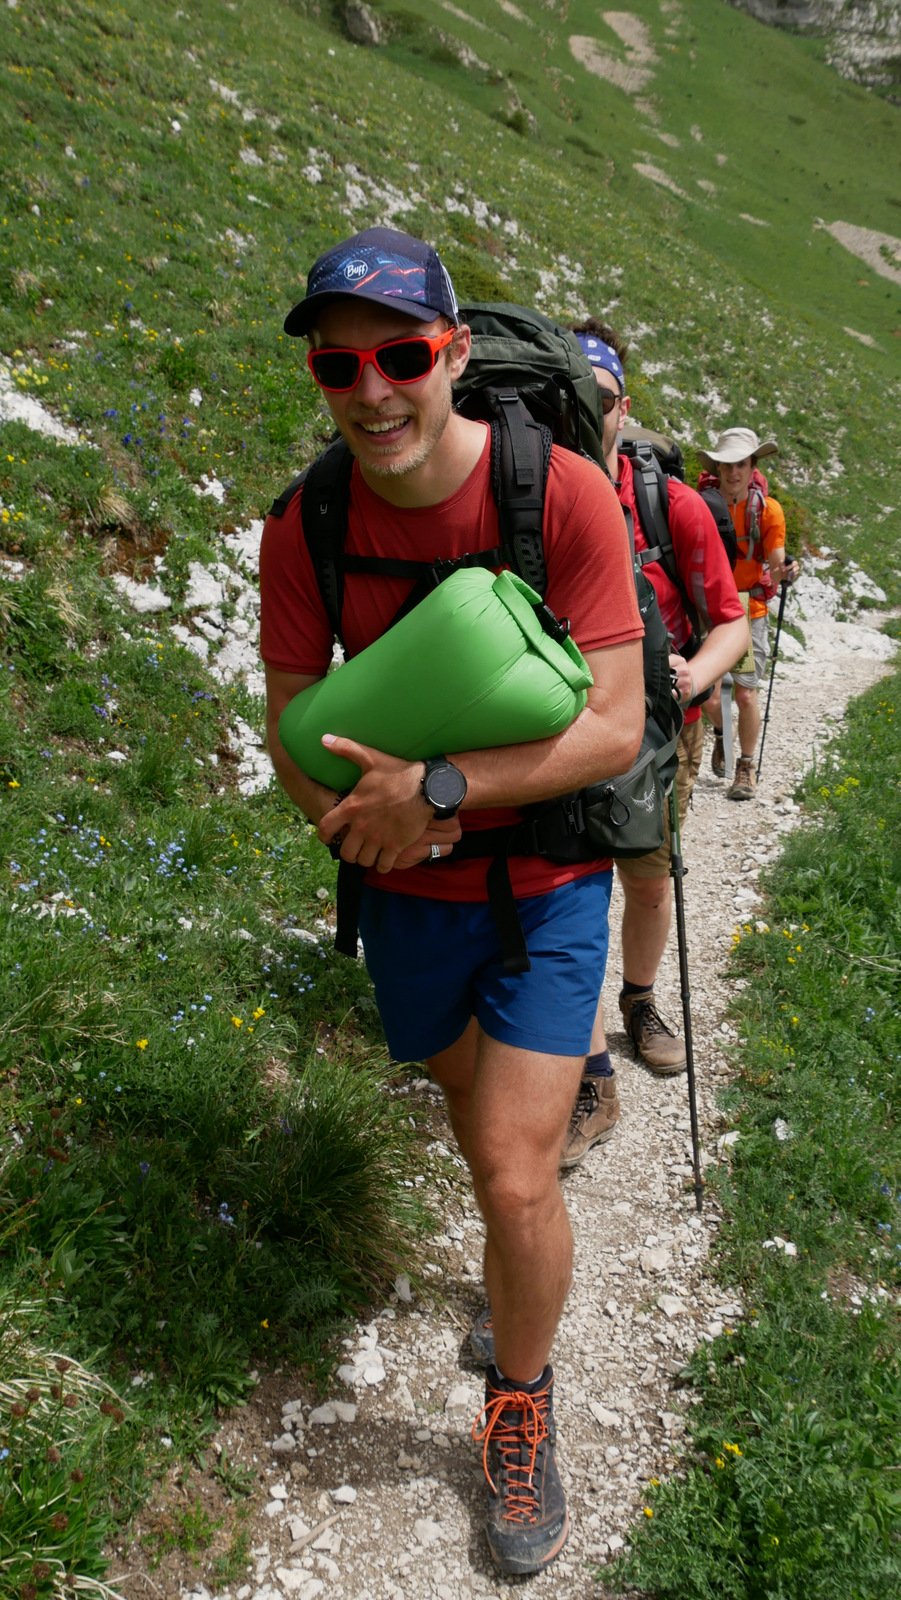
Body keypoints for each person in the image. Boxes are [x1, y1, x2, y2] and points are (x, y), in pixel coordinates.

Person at [259, 228, 646, 1576]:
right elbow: (292, 724)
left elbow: (612, 725)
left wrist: (434, 792)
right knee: (465, 1104)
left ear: (456, 358)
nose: (371, 389)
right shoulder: (306, 521)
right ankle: (525, 1220)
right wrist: (347, 826)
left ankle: (520, 1407)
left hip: (543, 882)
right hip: (407, 904)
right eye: (339, 363)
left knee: (508, 1163)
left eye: (403, 356)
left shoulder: (565, 497)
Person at [561, 320, 749, 1165]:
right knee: (560, 892)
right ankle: (583, 1066)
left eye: (593, 399)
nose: (575, 410)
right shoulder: (532, 491)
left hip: (656, 737)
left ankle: (637, 1001)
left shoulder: (666, 504)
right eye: (559, 394)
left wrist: (693, 676)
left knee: (643, 877)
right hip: (558, 728)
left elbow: (730, 623)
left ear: (620, 407)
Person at [695, 427, 799, 801]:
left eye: (740, 464)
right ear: (718, 468)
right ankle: (723, 736)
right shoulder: (701, 503)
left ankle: (746, 766)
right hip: (710, 609)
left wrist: (785, 567)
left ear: (753, 466)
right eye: (727, 465)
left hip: (748, 608)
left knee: (746, 695)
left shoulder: (768, 511)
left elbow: (775, 556)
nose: (733, 472)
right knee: (705, 694)